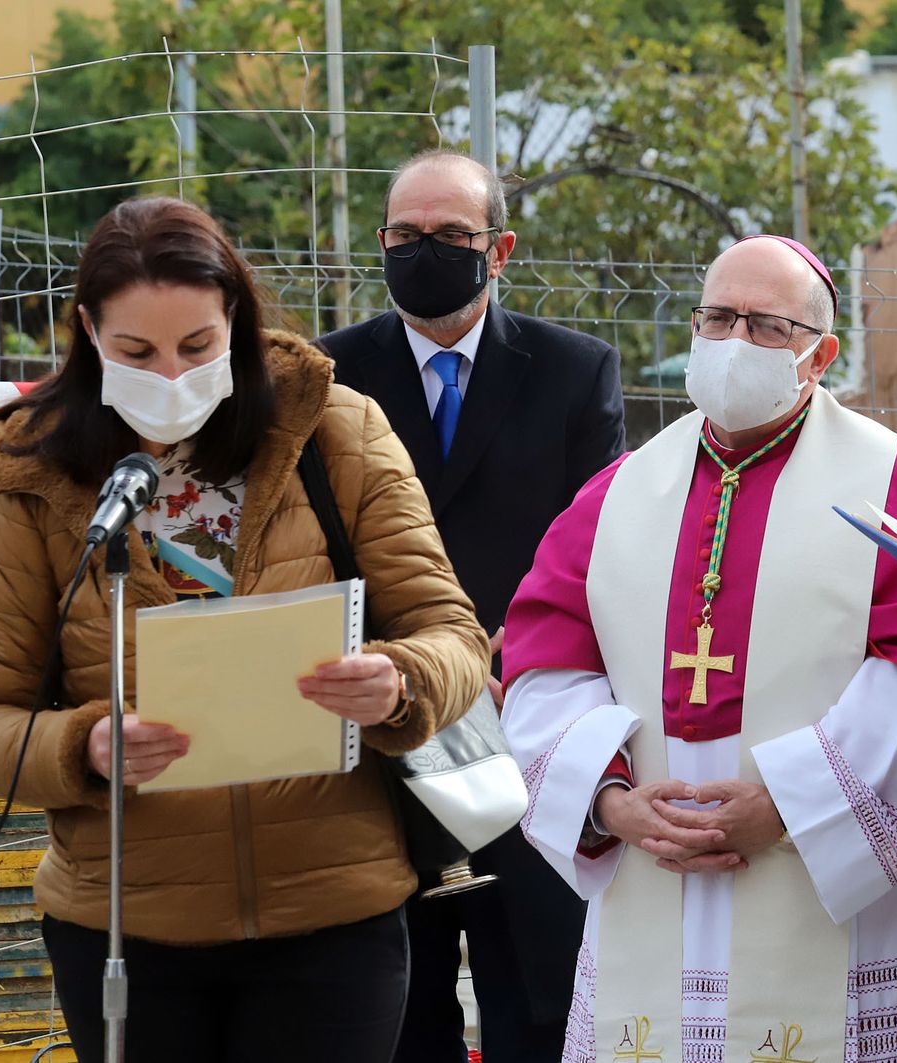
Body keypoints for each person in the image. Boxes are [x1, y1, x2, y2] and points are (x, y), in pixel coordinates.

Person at [0, 196, 492, 1063]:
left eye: (197, 346)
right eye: (135, 351)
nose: (170, 375)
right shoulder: (32, 475)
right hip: (127, 927)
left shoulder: (337, 432)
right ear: (87, 332)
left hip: (333, 921)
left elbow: (454, 634)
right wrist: (82, 745)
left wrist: (399, 681)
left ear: (234, 314)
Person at [500, 234, 897, 1061]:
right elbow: (544, 661)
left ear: (820, 353)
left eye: (767, 326)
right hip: (649, 874)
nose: (735, 342)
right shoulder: (617, 492)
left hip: (826, 888)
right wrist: (610, 798)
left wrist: (793, 805)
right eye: (717, 317)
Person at [316, 149, 625, 1062]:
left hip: (522, 722)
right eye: (405, 235)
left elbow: (595, 539)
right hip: (381, 726)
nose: (425, 251)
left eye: (451, 235)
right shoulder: (327, 378)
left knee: (535, 995)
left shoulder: (574, 372)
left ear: (499, 249)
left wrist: (513, 650)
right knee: (399, 1011)